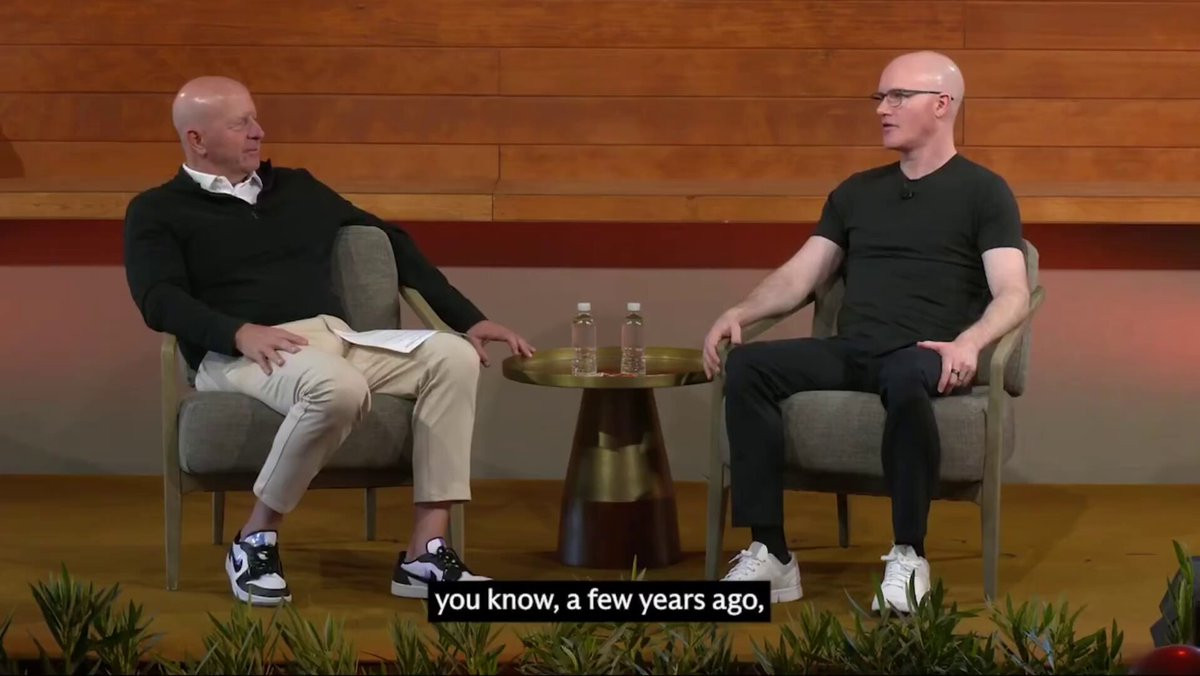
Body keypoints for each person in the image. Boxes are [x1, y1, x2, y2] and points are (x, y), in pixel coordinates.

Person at [124, 76, 535, 606]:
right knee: (338, 387)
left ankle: (425, 552)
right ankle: (255, 539)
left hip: (334, 336)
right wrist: (237, 332)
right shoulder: (157, 210)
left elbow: (389, 239)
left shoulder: (296, 189)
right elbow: (158, 299)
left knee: (452, 355)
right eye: (241, 124)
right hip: (240, 352)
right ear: (197, 140)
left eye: (255, 119)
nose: (259, 132)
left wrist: (468, 319)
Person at [701, 52, 1030, 612]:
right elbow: (801, 275)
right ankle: (772, 553)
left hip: (927, 353)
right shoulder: (856, 192)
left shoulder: (984, 192)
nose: (882, 109)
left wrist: (969, 343)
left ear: (942, 105)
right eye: (880, 97)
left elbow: (1013, 292)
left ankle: (909, 555)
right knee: (748, 366)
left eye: (898, 96)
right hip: (854, 349)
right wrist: (742, 311)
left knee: (904, 373)